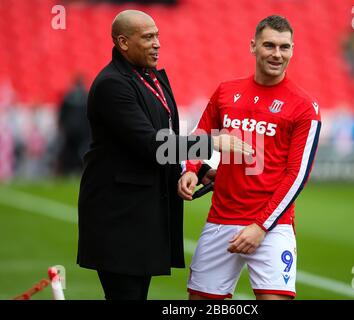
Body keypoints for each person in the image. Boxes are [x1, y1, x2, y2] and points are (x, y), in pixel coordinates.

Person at [77, 10, 252, 300]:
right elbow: (151, 145)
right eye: (148, 37)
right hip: (119, 218)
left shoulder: (150, 78)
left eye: (157, 35)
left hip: (144, 215)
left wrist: (194, 170)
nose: (157, 43)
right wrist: (212, 142)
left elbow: (165, 139)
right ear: (123, 42)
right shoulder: (112, 85)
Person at [178, 15, 322, 300]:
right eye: (269, 45)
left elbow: (297, 176)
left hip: (271, 227)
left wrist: (261, 226)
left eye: (285, 47)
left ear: (293, 49)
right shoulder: (226, 91)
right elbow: (201, 132)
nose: (277, 54)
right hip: (220, 219)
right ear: (253, 46)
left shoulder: (305, 107)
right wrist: (191, 168)